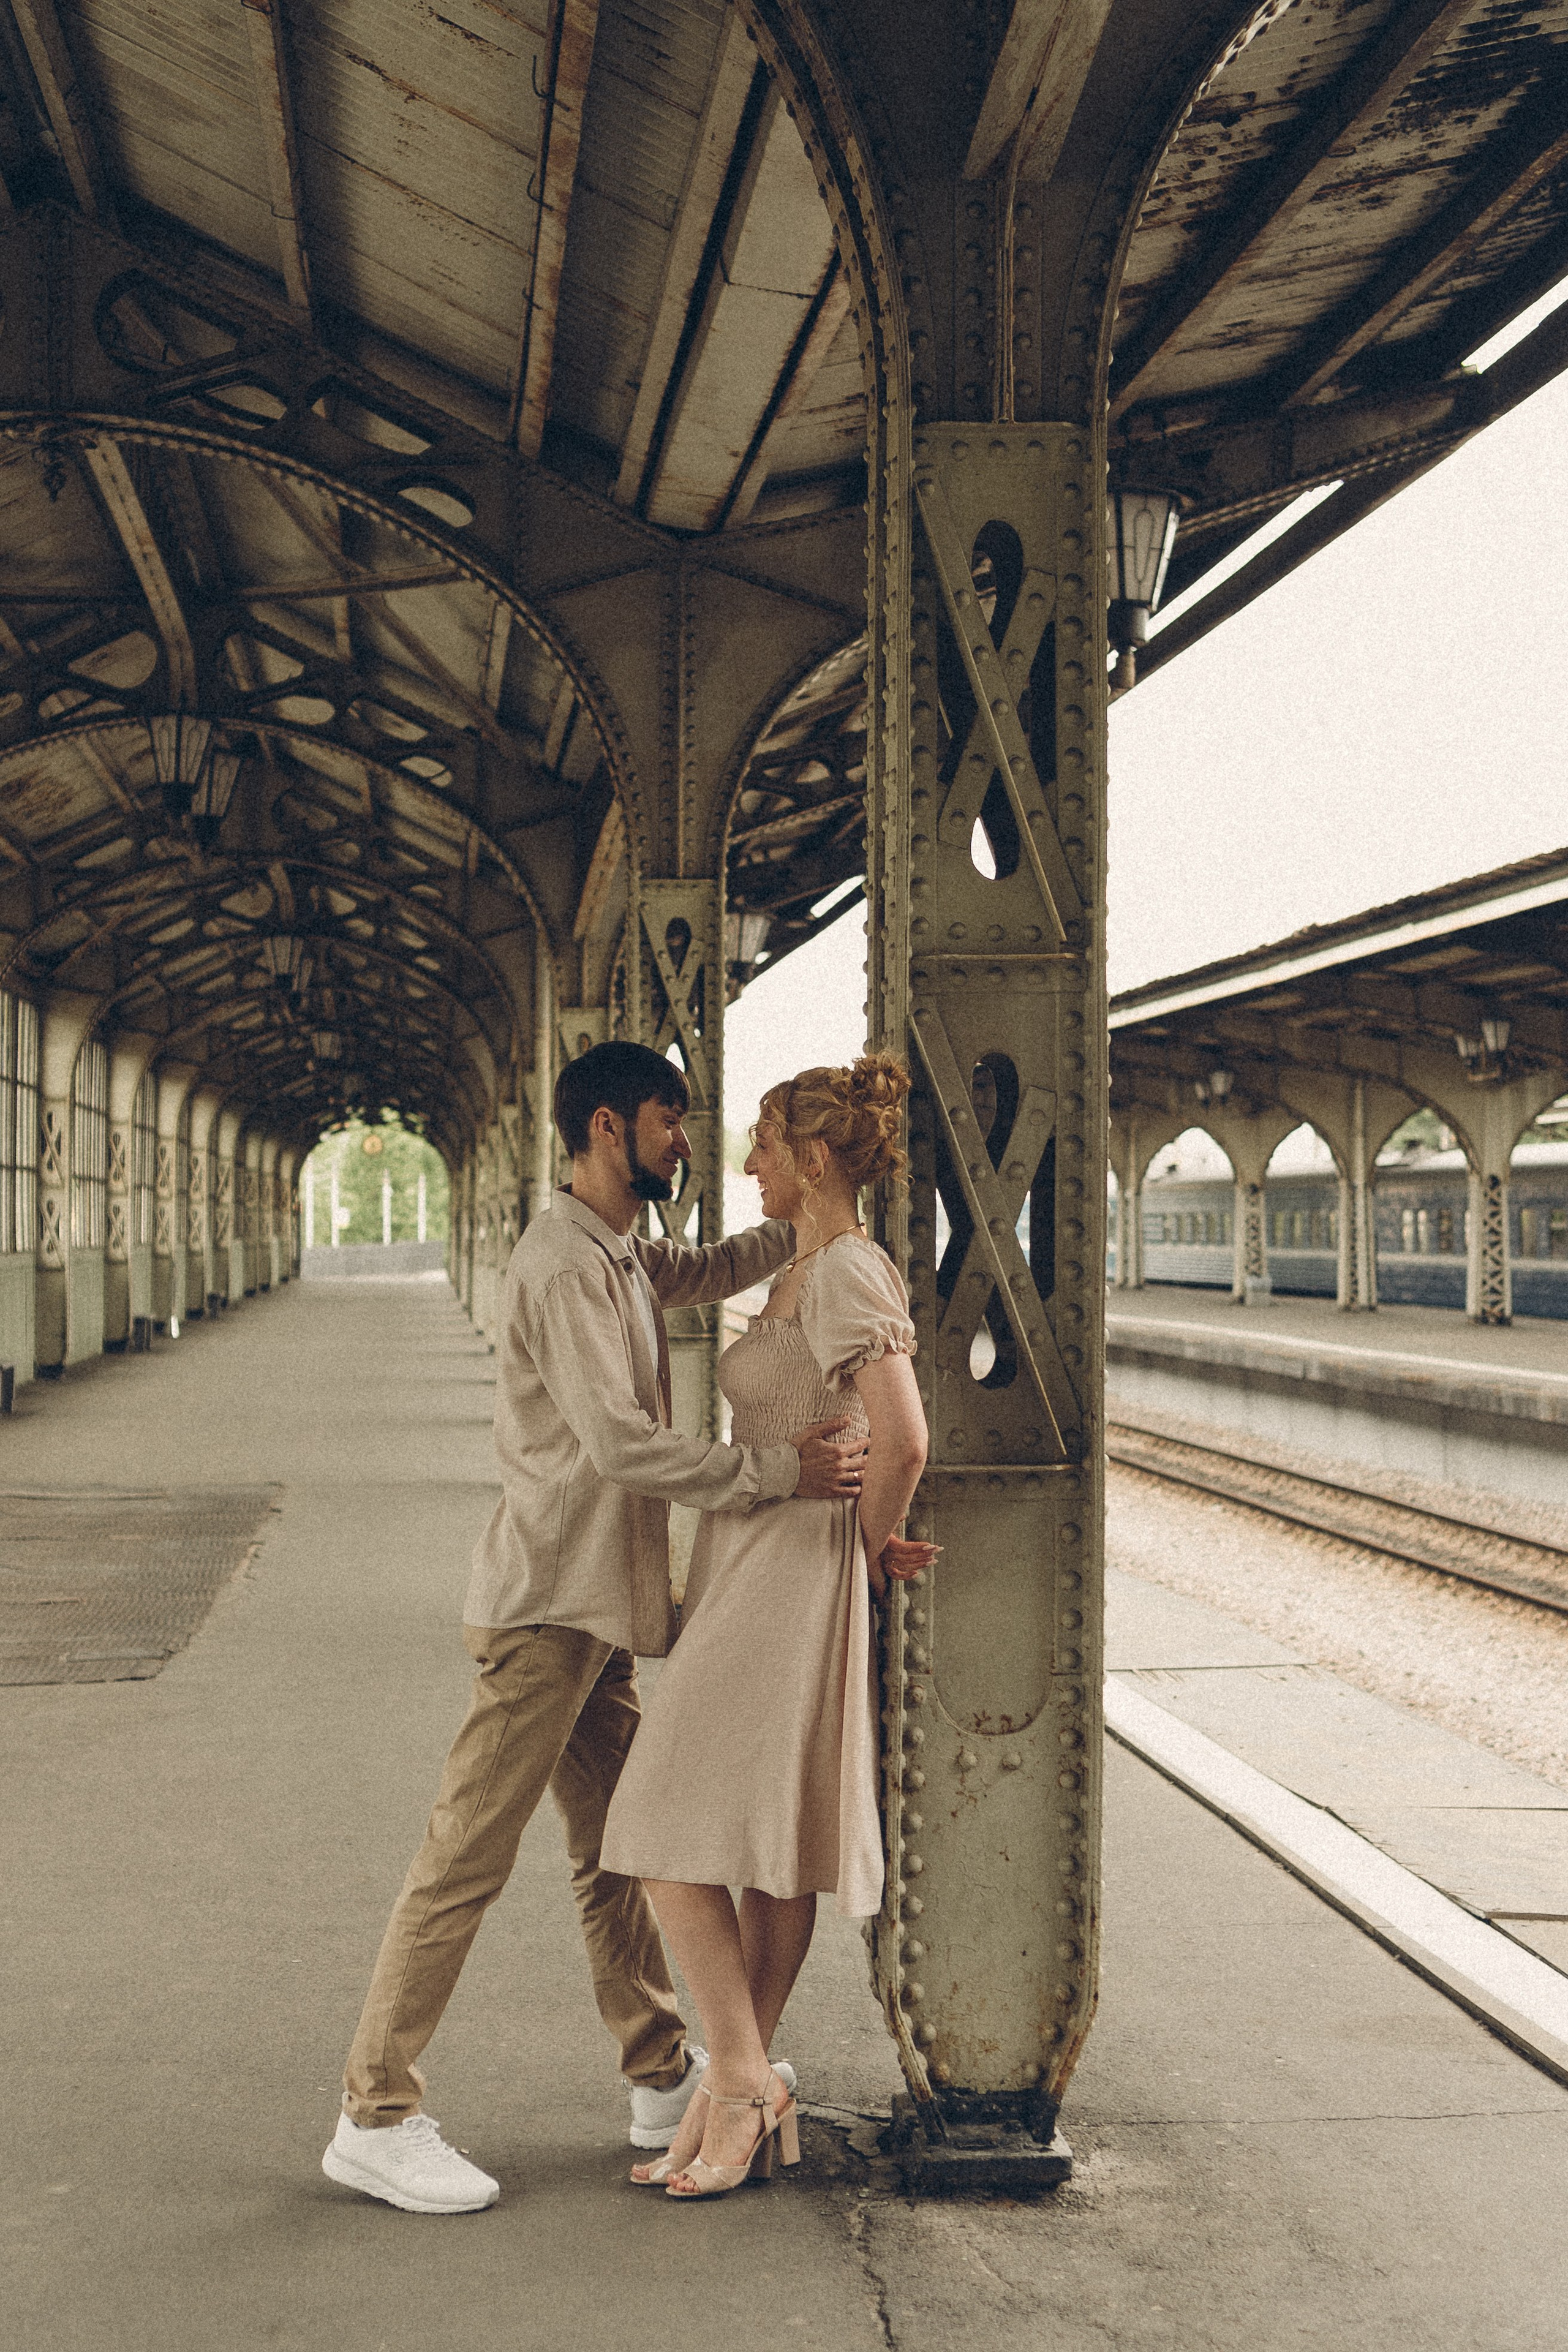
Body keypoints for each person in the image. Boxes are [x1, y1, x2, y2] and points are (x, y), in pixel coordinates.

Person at [322, 1041, 869, 2214]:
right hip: (546, 1614)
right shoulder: (564, 1267)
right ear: (613, 1127)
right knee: (463, 1858)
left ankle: (664, 2071)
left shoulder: (620, 1249)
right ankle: (375, 2111)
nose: (690, 1143)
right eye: (674, 1122)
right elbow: (621, 1445)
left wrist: (828, 1206)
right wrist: (773, 1469)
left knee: (619, 1851)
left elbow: (719, 1261)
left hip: (599, 1616)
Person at [600, 1053, 937, 2199]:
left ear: (813, 1158)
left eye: (759, 1145)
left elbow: (903, 1437)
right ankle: (739, 2086)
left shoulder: (847, 1269)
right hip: (758, 1557)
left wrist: (870, 1553)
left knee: (651, 1819)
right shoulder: (800, 1269)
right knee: (762, 1838)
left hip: (794, 1570)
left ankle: (737, 2076)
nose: (743, 1163)